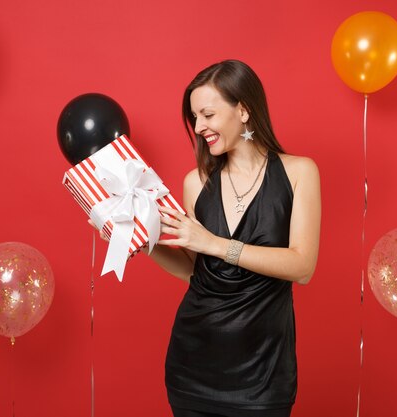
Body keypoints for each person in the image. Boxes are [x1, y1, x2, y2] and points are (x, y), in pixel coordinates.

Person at [92, 59, 320, 417]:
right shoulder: (195, 182)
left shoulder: (299, 172)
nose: (199, 127)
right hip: (192, 366)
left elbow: (302, 266)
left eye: (207, 115)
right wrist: (137, 236)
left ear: (243, 110)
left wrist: (214, 243)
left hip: (263, 375)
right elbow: (194, 271)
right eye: (195, 118)